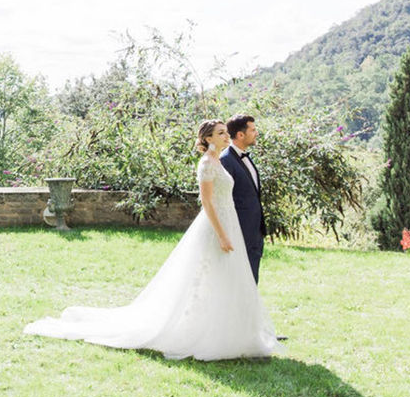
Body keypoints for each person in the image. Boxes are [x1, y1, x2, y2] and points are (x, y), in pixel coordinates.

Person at [23, 120, 282, 361]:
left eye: (226, 132)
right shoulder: (206, 164)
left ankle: (231, 329)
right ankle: (204, 332)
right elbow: (207, 202)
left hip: (230, 221)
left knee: (226, 277)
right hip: (217, 226)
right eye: (221, 133)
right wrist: (222, 234)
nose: (226, 136)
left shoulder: (219, 162)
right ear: (208, 139)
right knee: (208, 275)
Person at [219, 114, 265, 284]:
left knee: (251, 280)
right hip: (239, 230)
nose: (256, 133)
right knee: (238, 281)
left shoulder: (244, 157)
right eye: (253, 130)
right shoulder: (226, 160)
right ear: (240, 134)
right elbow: (223, 198)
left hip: (254, 231)